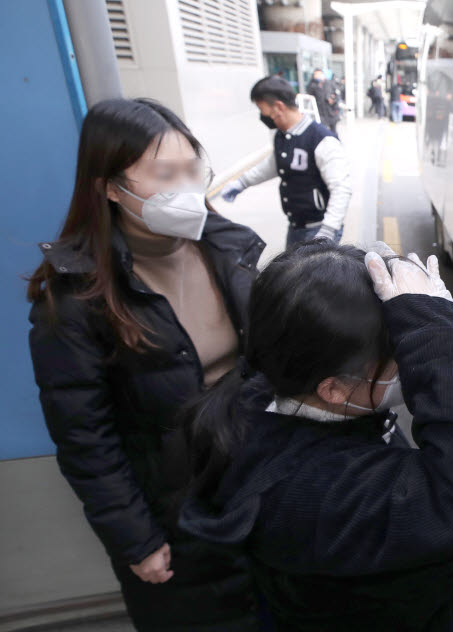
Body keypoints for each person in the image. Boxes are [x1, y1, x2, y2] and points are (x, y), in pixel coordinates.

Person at [178, 241, 453, 630]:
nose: (409, 366)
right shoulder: (318, 496)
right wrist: (440, 332)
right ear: (335, 389)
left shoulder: (269, 394)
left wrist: (426, 320)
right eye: (401, 354)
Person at [26, 98, 264, 631]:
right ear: (110, 186)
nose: (186, 186)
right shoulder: (75, 296)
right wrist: (136, 539)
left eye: (191, 168)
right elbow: (86, 439)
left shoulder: (228, 249)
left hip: (257, 491)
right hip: (176, 523)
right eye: (164, 174)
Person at [221, 76, 351, 249]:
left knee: (305, 275)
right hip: (296, 226)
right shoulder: (282, 136)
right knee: (289, 273)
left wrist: (328, 230)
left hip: (319, 228)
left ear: (279, 107)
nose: (263, 117)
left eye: (263, 110)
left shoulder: (322, 140)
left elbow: (341, 188)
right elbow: (273, 165)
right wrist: (241, 183)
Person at [306, 68, 340, 136]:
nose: (317, 76)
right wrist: (313, 80)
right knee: (323, 131)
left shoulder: (329, 83)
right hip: (321, 112)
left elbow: (337, 94)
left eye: (318, 74)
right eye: (315, 74)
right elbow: (309, 93)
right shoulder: (313, 84)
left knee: (333, 131)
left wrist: (333, 100)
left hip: (331, 112)